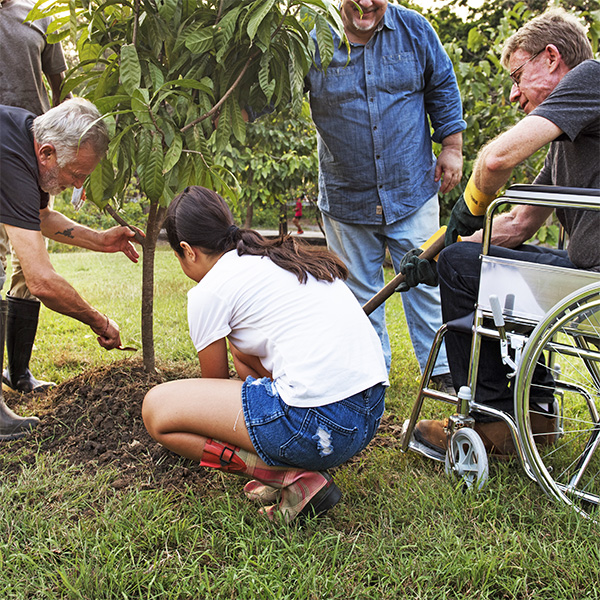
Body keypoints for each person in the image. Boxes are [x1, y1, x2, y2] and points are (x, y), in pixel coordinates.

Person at [404, 8, 600, 455]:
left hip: (593, 278)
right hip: (585, 273)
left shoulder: (591, 76)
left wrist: (469, 208)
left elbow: (495, 160)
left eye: (516, 76)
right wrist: (445, 250)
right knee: (466, 262)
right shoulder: (568, 143)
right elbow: (516, 224)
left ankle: (492, 421)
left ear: (551, 58)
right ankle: (535, 414)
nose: (514, 95)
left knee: (468, 267)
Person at [142, 186, 388, 523]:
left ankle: (289, 477)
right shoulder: (275, 257)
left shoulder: (208, 292)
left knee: (156, 409)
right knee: (241, 351)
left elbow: (211, 390)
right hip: (367, 416)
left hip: (316, 427)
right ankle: (291, 462)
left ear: (187, 250)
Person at [303, 0, 466, 387]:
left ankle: (442, 376)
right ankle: (371, 380)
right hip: (348, 198)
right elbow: (265, 94)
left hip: (411, 190)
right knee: (360, 296)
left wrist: (452, 147)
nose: (366, 3)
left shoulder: (414, 30)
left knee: (427, 285)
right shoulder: (310, 39)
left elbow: (442, 84)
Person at [0, 97, 142, 440]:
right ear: (47, 153)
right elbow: (42, 282)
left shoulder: (26, 136)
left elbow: (39, 217)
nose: (78, 186)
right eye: (76, 174)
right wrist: (99, 320)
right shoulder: (11, 157)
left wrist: (99, 239)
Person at [0, 0, 71, 393]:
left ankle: (20, 372)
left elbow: (58, 83)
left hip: (36, 154)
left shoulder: (41, 11)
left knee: (28, 268)